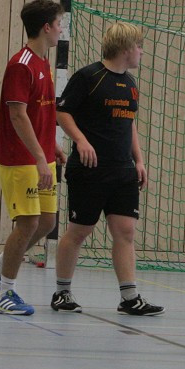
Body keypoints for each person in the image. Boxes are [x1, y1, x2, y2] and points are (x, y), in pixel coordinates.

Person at [51, 22, 164, 316]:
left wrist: (138, 160)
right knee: (80, 230)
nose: (141, 52)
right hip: (90, 170)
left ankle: (129, 297)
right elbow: (62, 111)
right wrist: (80, 140)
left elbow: (129, 124)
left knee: (125, 231)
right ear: (126, 48)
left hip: (122, 171)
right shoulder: (89, 77)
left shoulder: (130, 84)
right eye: (139, 46)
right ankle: (62, 292)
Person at [0, 0, 65, 315]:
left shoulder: (43, 63)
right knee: (27, 223)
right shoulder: (22, 64)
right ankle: (5, 294)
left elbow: (40, 113)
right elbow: (17, 115)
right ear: (46, 27)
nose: (61, 29)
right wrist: (40, 156)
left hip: (41, 155)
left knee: (47, 222)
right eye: (59, 23)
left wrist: (50, 146)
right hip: (21, 158)